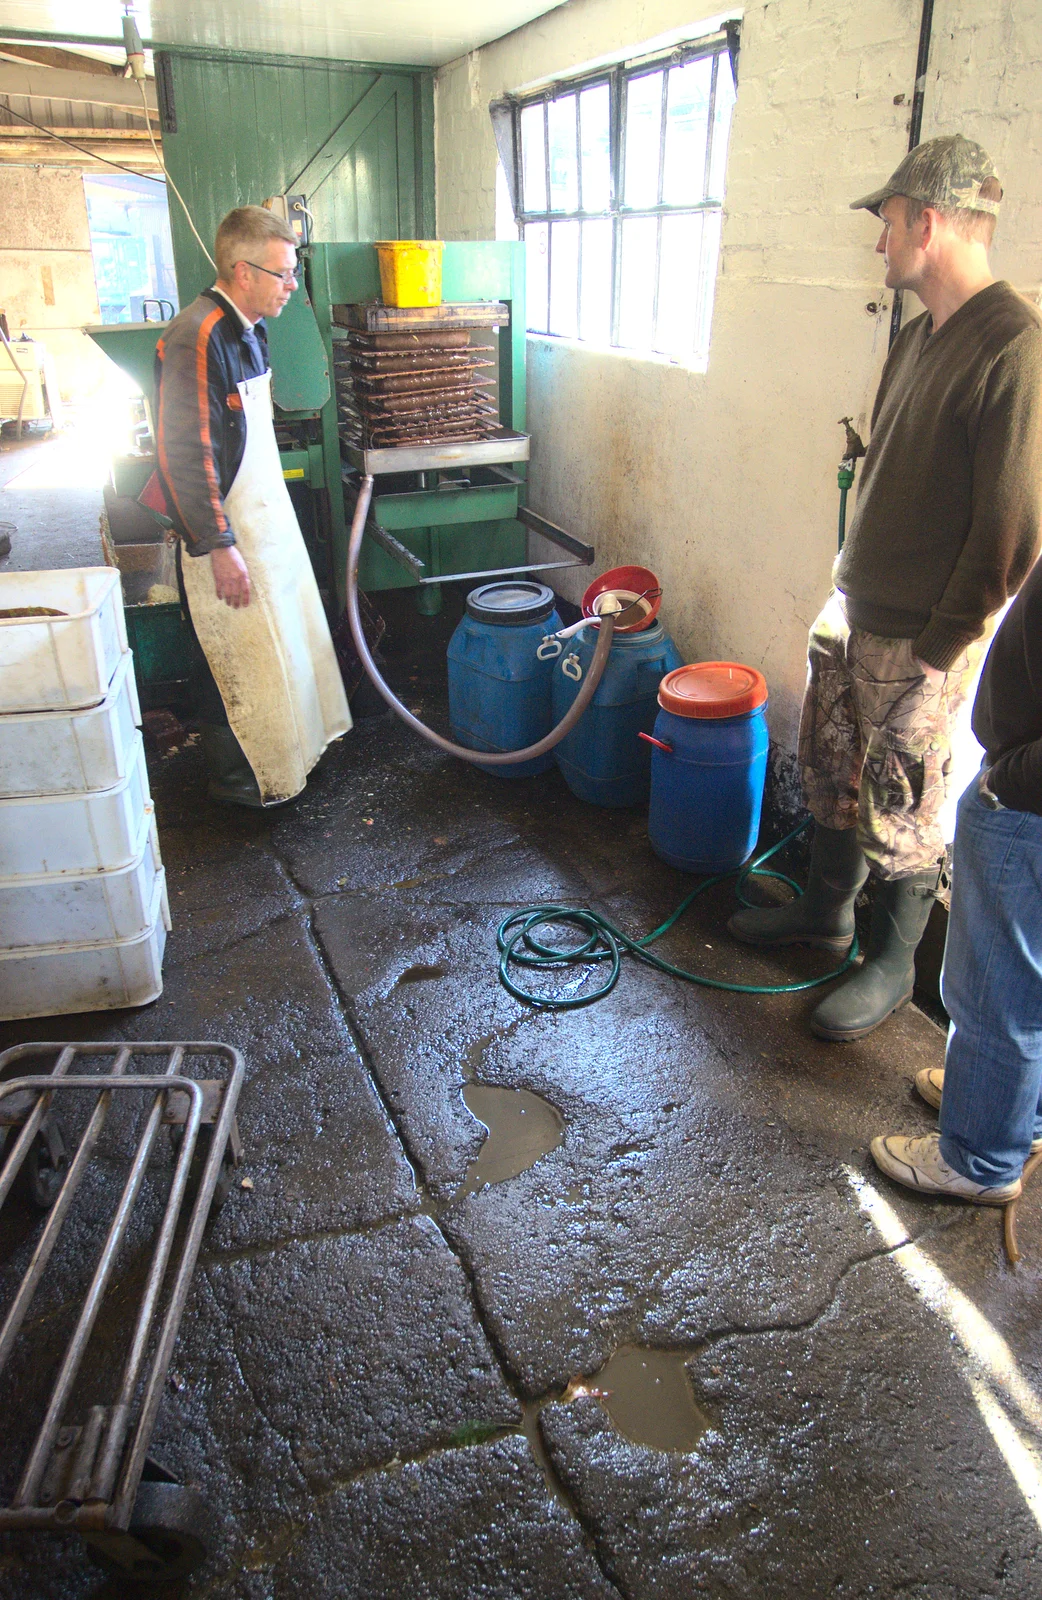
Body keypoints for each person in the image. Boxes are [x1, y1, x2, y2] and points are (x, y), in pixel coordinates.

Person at [729, 134, 1042, 1041]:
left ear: (932, 222)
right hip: (856, 607)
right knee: (833, 775)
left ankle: (890, 964)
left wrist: (942, 647)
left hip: (923, 637)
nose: (881, 242)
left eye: (891, 222)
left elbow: (1012, 532)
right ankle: (826, 921)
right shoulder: (916, 334)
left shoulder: (1014, 348)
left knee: (902, 806)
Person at [148, 205, 350, 807]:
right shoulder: (198, 335)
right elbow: (187, 452)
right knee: (234, 655)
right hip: (227, 534)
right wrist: (219, 544)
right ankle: (241, 781)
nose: (292, 286)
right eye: (283, 274)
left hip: (264, 525)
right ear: (243, 271)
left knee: (281, 644)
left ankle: (286, 763)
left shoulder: (250, 329)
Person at [871, 556, 1042, 1202]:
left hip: (1027, 799)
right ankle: (1009, 1109)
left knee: (993, 987)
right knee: (1024, 975)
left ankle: (977, 1156)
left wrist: (1010, 781)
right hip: (1026, 783)